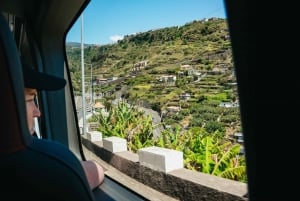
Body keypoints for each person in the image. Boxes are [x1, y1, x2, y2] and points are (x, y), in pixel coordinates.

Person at [23, 65, 105, 190]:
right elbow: (96, 170)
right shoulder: (31, 167)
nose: (38, 112)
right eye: (29, 99)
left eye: (35, 99)